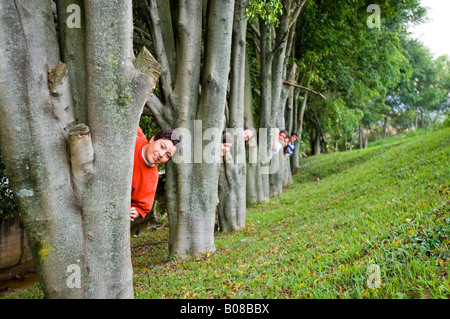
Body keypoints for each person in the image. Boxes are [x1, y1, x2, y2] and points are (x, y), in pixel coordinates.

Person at [130, 126, 181, 221]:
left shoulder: (151, 179)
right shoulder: (134, 134)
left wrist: (135, 212)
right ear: (153, 139)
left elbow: (141, 208)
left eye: (167, 155)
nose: (161, 154)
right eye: (162, 147)